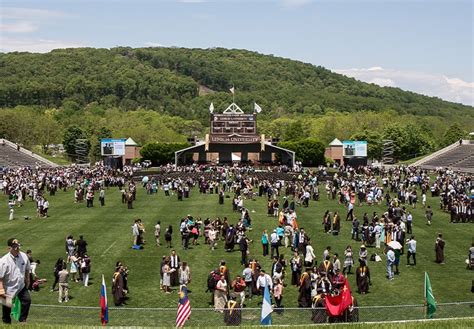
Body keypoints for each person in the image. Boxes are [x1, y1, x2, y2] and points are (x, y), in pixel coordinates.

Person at [0, 238, 31, 324]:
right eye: (14, 247)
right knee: (7, 309)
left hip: (21, 286)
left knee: (27, 300)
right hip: (8, 288)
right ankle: (6, 324)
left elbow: (27, 268)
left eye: (18, 246)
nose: (17, 248)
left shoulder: (24, 256)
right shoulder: (3, 261)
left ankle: (22, 320)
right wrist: (1, 292)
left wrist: (27, 280)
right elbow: (0, 278)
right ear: (9, 248)